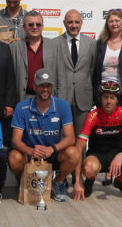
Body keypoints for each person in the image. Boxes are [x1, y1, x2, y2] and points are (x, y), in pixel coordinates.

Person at [8, 68, 80, 202]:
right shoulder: (21, 107)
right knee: (13, 157)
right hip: (31, 152)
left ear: (53, 86)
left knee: (74, 153)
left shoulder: (63, 106)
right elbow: (15, 140)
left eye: (48, 85)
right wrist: (30, 150)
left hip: (52, 151)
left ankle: (58, 182)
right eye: (41, 85)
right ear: (34, 86)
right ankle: (24, 181)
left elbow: (70, 138)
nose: (45, 89)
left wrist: (52, 149)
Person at [73, 81, 122, 200]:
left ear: (117, 100)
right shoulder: (92, 116)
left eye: (112, 98)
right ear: (100, 99)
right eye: (105, 97)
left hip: (117, 156)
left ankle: (120, 181)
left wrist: (121, 156)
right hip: (97, 156)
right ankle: (90, 180)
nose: (108, 101)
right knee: (89, 168)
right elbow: (78, 149)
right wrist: (78, 180)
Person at [54, 9, 98, 137]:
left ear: (81, 23)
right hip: (61, 98)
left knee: (81, 139)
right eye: (70, 22)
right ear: (64, 23)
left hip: (84, 99)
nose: (74, 25)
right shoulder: (54, 43)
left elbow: (93, 70)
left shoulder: (91, 43)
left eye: (77, 22)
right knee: (62, 139)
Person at [10, 10, 58, 103]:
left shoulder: (54, 46)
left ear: (42, 26)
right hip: (23, 98)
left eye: (38, 24)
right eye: (31, 25)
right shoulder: (14, 47)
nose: (35, 27)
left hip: (48, 98)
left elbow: (60, 76)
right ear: (24, 27)